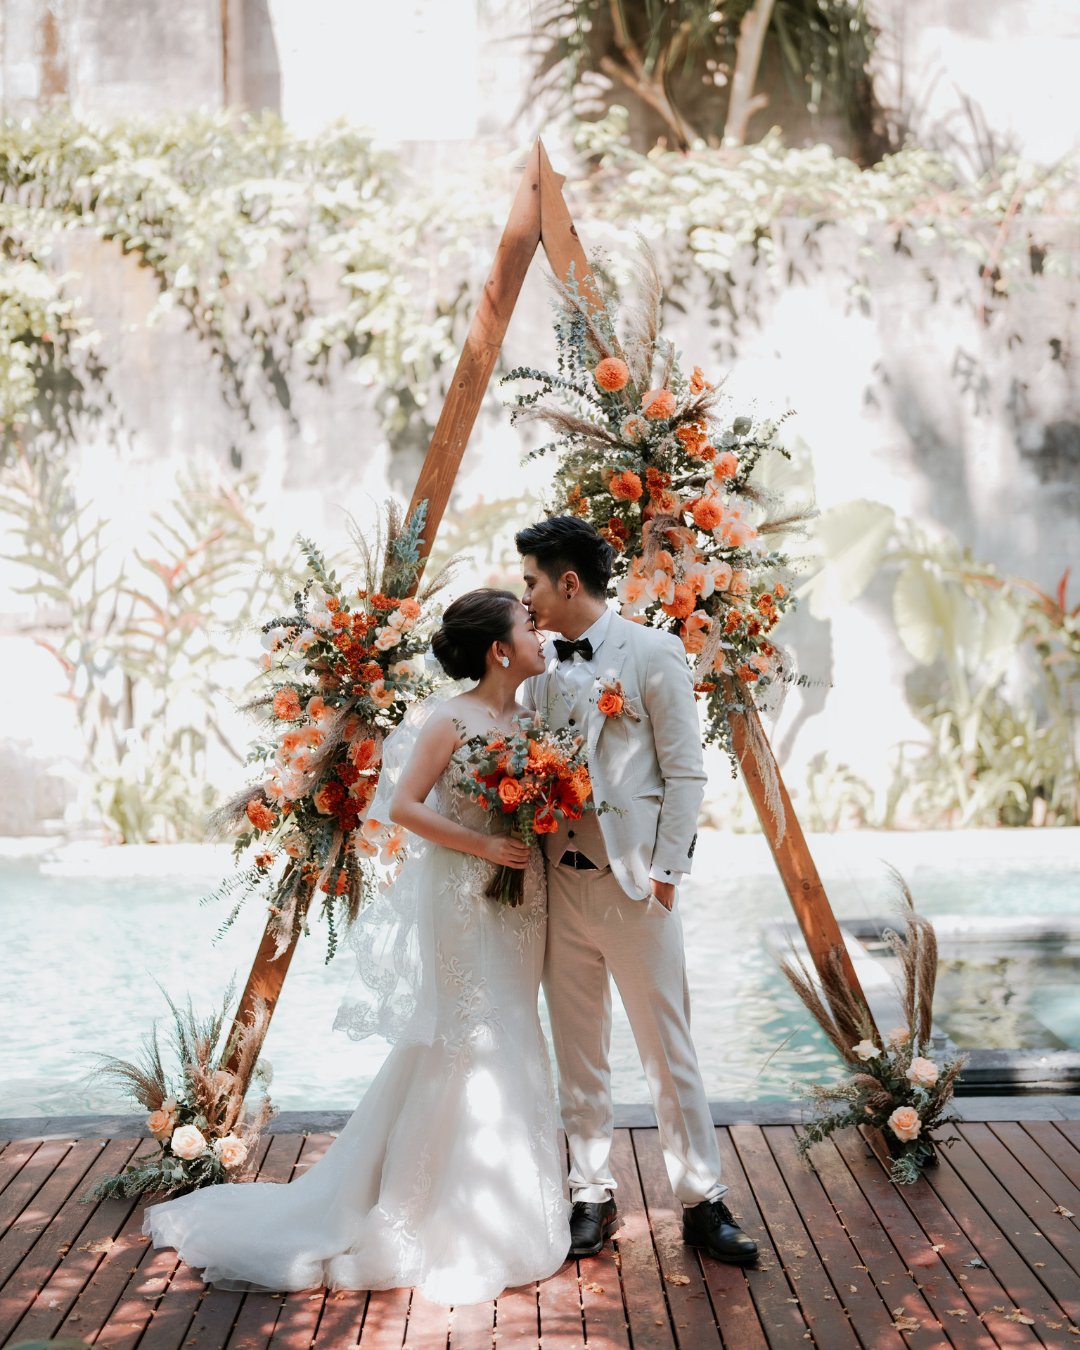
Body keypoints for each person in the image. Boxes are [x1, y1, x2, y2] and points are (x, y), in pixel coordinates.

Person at [143, 589, 570, 1306]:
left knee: (515, 1032)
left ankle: (511, 1207)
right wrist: (483, 842)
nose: (540, 632)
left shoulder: (533, 720)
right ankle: (416, 1214)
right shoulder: (452, 717)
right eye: (528, 625)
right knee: (464, 1038)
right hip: (465, 897)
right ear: (499, 649)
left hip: (523, 901)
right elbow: (400, 807)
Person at [516, 516, 758, 1266]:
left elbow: (686, 772)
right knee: (579, 1052)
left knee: (668, 1051)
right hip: (558, 888)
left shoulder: (652, 652)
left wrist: (665, 876)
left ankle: (700, 1201)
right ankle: (591, 1191)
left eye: (530, 582)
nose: (522, 598)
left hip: (635, 890)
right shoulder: (533, 665)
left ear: (567, 582)